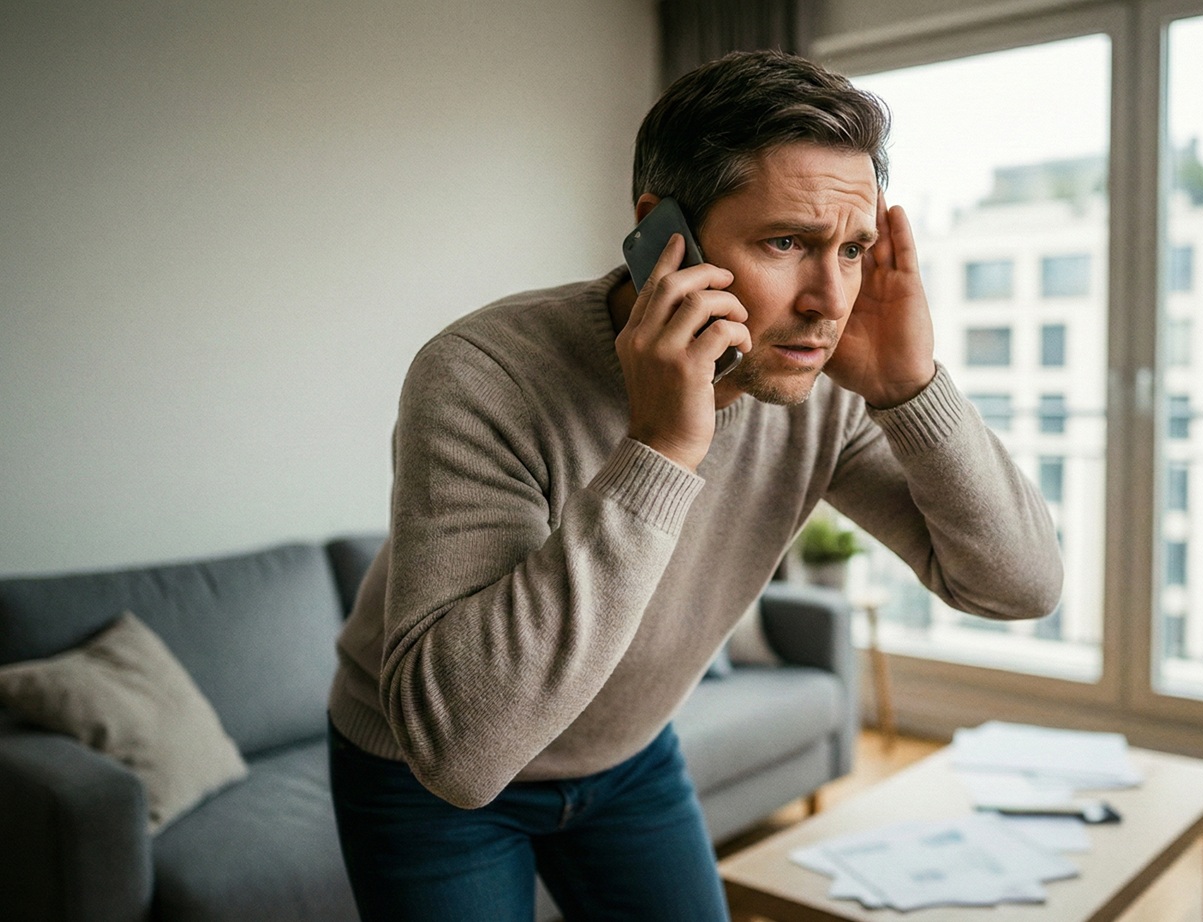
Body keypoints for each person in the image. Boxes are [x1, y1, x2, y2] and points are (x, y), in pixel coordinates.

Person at [326, 49, 1063, 922]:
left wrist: (911, 390)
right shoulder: (484, 375)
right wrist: (663, 448)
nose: (830, 300)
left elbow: (1020, 587)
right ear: (663, 234)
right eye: (787, 242)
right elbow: (463, 754)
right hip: (423, 777)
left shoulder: (822, 389)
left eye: (854, 249)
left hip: (629, 756)